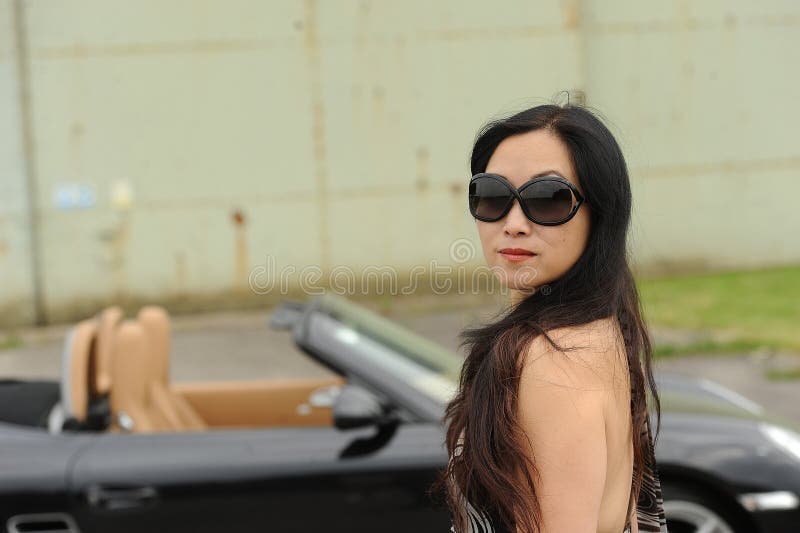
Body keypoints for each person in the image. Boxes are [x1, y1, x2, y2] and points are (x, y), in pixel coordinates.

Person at [433, 102, 669, 533]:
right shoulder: (604, 327)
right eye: (493, 195)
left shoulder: (551, 359)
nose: (514, 222)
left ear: (600, 214)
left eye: (549, 199)